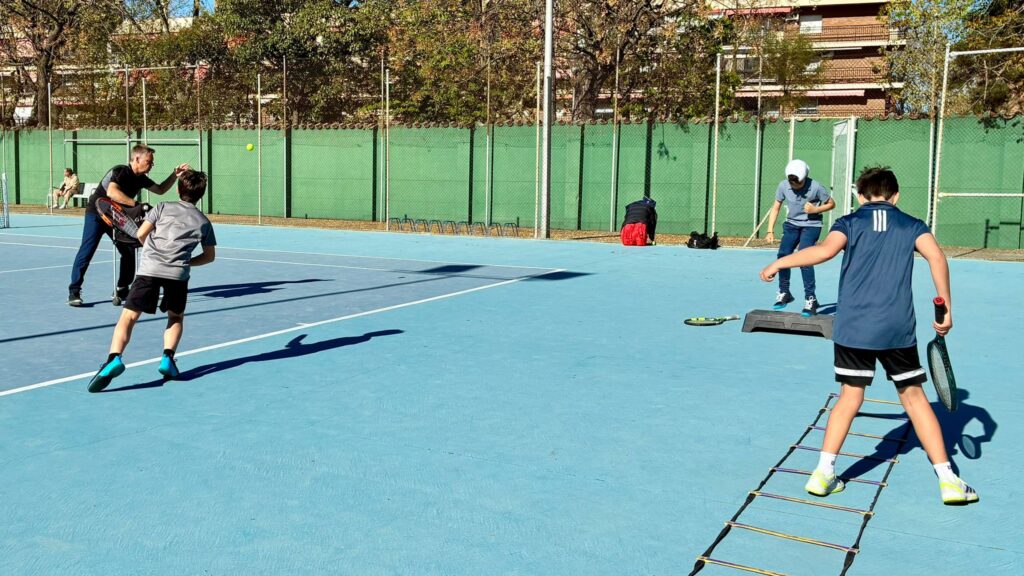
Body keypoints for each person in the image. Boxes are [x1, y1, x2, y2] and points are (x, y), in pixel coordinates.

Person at [759, 166, 977, 505]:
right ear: (896, 196)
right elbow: (936, 256)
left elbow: (823, 251)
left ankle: (823, 473)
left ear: (860, 196)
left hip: (853, 328)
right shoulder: (913, 225)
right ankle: (949, 480)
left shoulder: (849, 222)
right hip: (896, 329)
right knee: (914, 399)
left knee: (849, 397)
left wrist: (779, 263)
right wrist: (945, 306)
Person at [87, 170, 216, 393]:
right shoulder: (204, 222)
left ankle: (114, 358)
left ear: (179, 189)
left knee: (128, 317)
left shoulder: (162, 207)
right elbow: (209, 256)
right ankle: (168, 358)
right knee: (175, 317)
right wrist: (186, 262)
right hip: (178, 275)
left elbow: (141, 234)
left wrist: (152, 250)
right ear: (201, 194)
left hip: (150, 269)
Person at [67, 145, 189, 307]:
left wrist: (174, 175)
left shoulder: (141, 178)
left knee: (129, 251)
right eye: (149, 161)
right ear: (137, 159)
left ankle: (122, 288)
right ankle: (74, 290)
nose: (151, 165)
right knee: (87, 250)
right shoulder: (120, 171)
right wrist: (136, 204)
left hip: (118, 218)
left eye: (152, 162)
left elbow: (160, 190)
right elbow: (112, 192)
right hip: (97, 213)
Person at [764, 159, 835, 316]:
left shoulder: (816, 187)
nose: (795, 186)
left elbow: (831, 204)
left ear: (805, 177)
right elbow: (775, 208)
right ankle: (784, 292)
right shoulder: (783, 186)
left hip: (811, 225)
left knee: (805, 257)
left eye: (799, 183)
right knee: (783, 255)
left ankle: (810, 298)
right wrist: (770, 231)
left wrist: (816, 209)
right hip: (792, 224)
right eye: (792, 183)